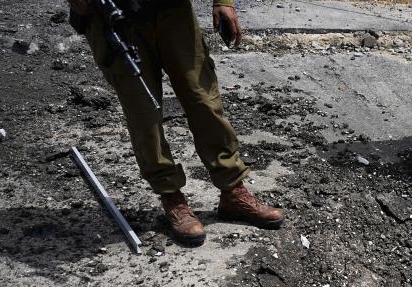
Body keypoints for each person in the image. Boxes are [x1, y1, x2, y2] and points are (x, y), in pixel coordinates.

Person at [68, 0, 283, 247]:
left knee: (204, 99)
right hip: (113, 16)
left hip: (173, 11)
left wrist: (223, 1)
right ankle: (172, 198)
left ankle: (233, 190)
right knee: (144, 114)